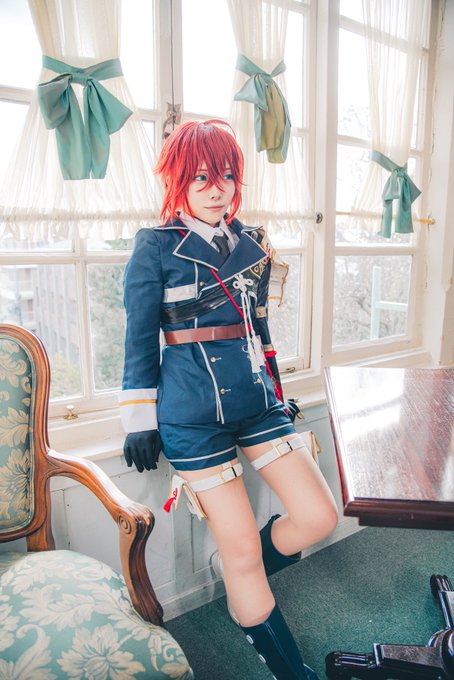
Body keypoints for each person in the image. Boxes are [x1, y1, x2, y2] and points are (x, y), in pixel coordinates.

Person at [119, 119, 338, 680]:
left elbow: (260, 330)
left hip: (258, 403)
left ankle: (241, 569)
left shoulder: (252, 242)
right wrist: (138, 419)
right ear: (178, 181)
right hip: (192, 415)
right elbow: (139, 337)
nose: (215, 189)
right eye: (200, 177)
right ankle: (291, 669)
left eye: (225, 176)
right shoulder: (155, 246)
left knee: (319, 516)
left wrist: (278, 393)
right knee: (242, 554)